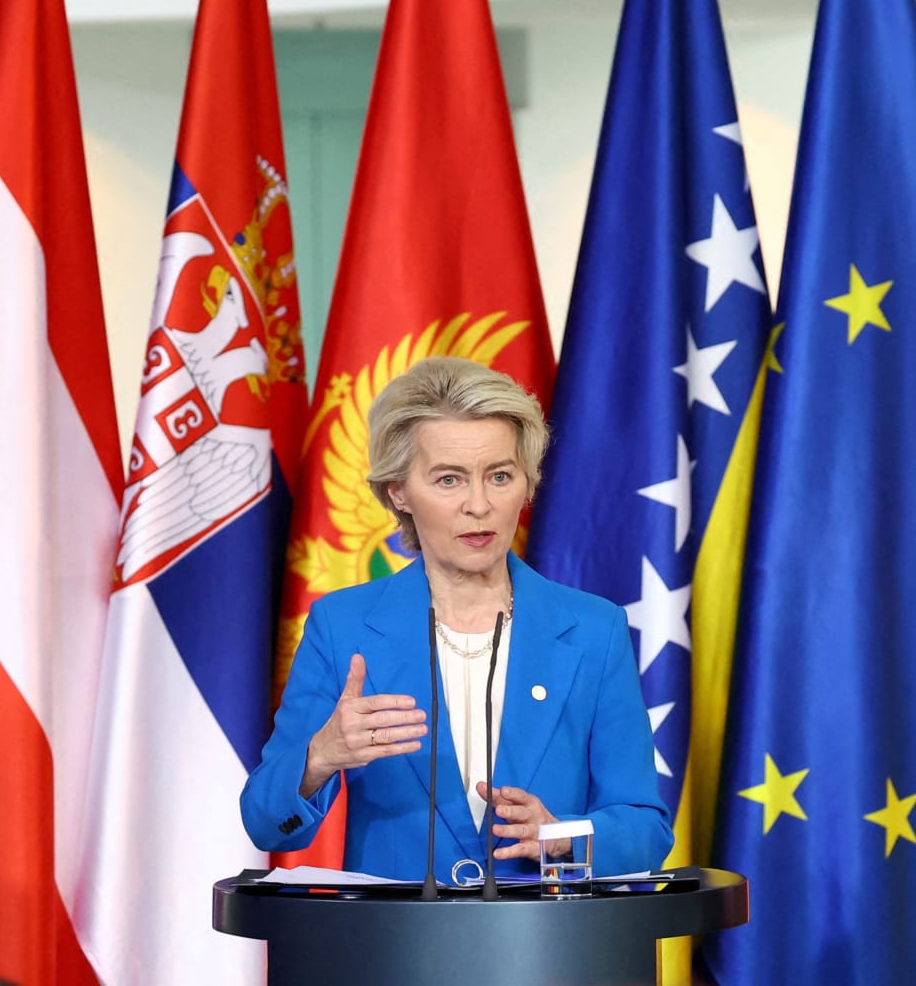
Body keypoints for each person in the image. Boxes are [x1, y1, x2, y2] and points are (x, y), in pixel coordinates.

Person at [241, 357, 671, 879]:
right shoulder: (343, 626)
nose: (479, 504)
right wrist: (320, 757)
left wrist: (559, 835)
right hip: (399, 950)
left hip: (548, 947)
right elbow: (265, 821)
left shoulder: (592, 629)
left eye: (500, 476)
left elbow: (645, 830)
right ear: (398, 491)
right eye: (449, 479)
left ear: (528, 485)